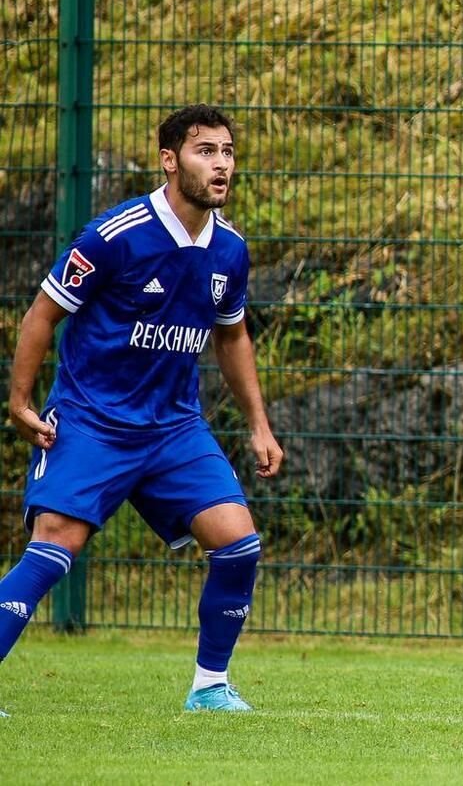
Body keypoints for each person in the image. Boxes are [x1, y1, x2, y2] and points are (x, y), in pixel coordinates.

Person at [2, 105, 283, 713]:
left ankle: (210, 687)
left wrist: (259, 424)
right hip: (92, 420)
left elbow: (232, 335)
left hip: (174, 427)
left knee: (238, 543)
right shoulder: (113, 236)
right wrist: (20, 403)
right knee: (53, 547)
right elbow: (42, 315)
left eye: (228, 152)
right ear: (169, 160)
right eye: (205, 151)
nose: (221, 164)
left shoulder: (230, 249)